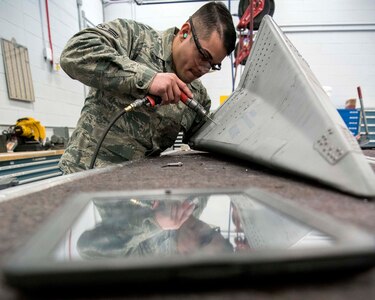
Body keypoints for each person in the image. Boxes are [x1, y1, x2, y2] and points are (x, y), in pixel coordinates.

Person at [59, 1, 236, 174]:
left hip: (136, 190)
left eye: (213, 65)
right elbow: (74, 53)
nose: (204, 69)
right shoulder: (135, 38)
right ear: (185, 32)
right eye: (203, 56)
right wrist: (147, 79)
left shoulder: (197, 97)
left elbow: (209, 143)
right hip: (84, 174)